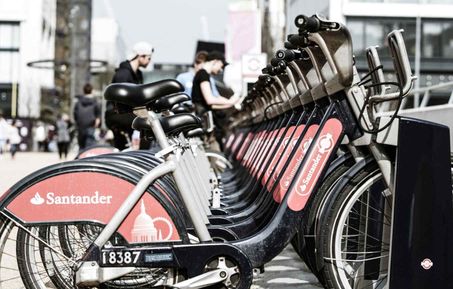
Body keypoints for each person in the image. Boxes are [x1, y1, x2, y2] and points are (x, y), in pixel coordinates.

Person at [105, 41, 154, 150]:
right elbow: (120, 100)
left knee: (122, 149)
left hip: (126, 113)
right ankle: (143, 157)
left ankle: (138, 157)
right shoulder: (123, 74)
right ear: (141, 56)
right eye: (149, 58)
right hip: (116, 113)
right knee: (148, 124)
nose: (149, 61)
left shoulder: (138, 74)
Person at [191, 51, 241, 150]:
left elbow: (210, 105)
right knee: (215, 154)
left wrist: (230, 104)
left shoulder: (202, 74)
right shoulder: (203, 74)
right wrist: (231, 102)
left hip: (203, 118)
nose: (221, 70)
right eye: (221, 66)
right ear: (215, 61)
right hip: (204, 120)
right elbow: (210, 100)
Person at [74, 83, 101, 151]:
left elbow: (75, 113)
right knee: (90, 146)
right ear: (91, 90)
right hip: (91, 125)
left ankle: (80, 159)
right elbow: (98, 114)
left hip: (81, 126)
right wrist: (97, 123)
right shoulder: (95, 102)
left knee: (81, 145)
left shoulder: (79, 102)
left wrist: (78, 122)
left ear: (84, 91)